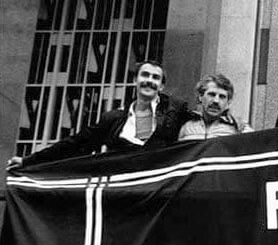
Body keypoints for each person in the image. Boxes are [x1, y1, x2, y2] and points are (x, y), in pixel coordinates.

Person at [6, 60, 188, 168]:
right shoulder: (113, 118)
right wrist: (28, 161)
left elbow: (205, 124)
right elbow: (76, 143)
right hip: (122, 192)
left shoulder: (175, 110)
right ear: (135, 80)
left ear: (162, 86)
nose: (149, 81)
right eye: (145, 75)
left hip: (157, 193)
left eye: (155, 78)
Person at [178, 73, 253, 141]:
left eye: (222, 97)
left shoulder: (239, 129)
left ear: (228, 102)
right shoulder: (186, 128)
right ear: (200, 97)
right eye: (211, 94)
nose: (216, 101)